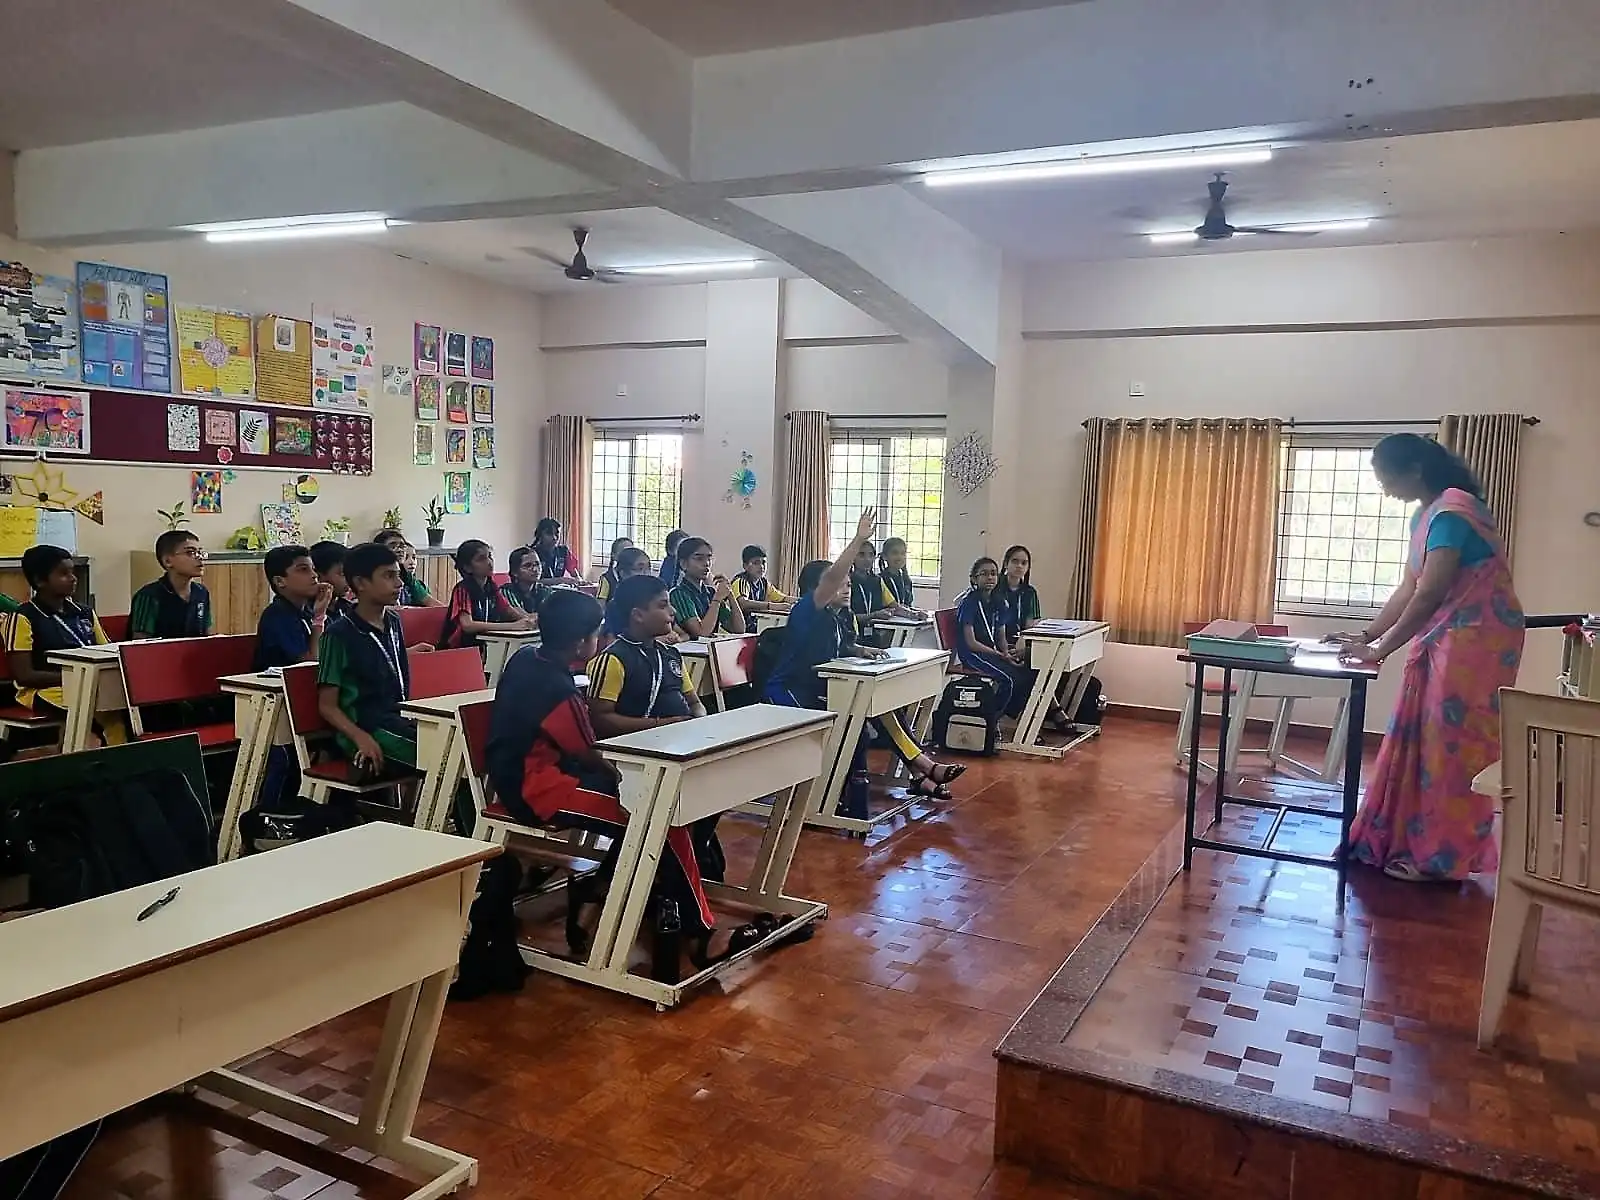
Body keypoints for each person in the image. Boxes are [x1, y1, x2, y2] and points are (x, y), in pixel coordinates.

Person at [485, 587, 716, 964]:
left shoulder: (527, 658)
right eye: (596, 634)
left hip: (529, 776)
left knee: (655, 804)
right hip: (538, 789)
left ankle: (605, 889)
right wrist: (629, 781)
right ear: (581, 644)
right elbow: (589, 753)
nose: (601, 639)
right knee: (658, 817)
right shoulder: (560, 691)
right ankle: (698, 924)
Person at [1332, 433, 1525, 882]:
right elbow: (1410, 587)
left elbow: (1430, 592)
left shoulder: (1454, 511)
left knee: (1451, 748)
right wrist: (1368, 634)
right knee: (1424, 742)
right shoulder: (1427, 514)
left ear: (1415, 470)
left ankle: (1441, 859)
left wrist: (1379, 650)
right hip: (1446, 638)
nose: (1385, 490)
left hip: (1473, 645)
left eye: (1387, 479)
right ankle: (1411, 840)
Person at [764, 509, 964, 805]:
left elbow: (839, 648)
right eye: (839, 584)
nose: (846, 589)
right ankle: (920, 768)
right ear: (817, 590)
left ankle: (919, 770)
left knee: (877, 703)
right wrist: (858, 539)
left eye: (848, 584)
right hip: (791, 692)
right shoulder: (806, 611)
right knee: (860, 710)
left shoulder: (837, 616)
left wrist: (859, 650)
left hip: (823, 687)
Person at [4, 544, 126, 744]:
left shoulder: (84, 613)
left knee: (128, 704)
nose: (73, 578)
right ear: (40, 581)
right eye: (63, 574)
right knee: (96, 707)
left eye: (72, 572)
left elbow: (108, 651)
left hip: (90, 684)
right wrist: (77, 678)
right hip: (44, 690)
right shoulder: (23, 617)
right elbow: (24, 675)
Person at [316, 542, 416, 771]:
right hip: (363, 730)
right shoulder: (338, 634)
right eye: (388, 576)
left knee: (456, 746)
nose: (399, 583)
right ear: (361, 583)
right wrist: (360, 737)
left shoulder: (394, 622)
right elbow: (327, 706)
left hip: (397, 719)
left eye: (398, 575)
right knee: (444, 757)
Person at [956, 556, 1072, 728]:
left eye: (993, 573)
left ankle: (1019, 722)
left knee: (1029, 673)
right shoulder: (969, 603)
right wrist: (999, 654)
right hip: (974, 655)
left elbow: (1001, 635)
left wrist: (1006, 653)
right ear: (974, 578)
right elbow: (971, 642)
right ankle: (990, 722)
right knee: (1008, 681)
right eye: (984, 574)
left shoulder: (998, 602)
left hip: (993, 652)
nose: (990, 577)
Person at [439, 539, 536, 651]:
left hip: (483, 645)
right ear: (467, 568)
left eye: (490, 556)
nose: (489, 562)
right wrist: (512, 626)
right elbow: (467, 625)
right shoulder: (462, 589)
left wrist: (528, 621)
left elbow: (508, 611)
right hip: (459, 650)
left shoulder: (491, 587)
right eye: (481, 559)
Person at [253, 544, 335, 670]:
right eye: (303, 570)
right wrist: (319, 618)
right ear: (280, 581)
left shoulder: (308, 611)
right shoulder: (277, 616)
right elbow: (311, 665)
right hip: (277, 682)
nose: (314, 575)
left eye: (313, 569)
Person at [130, 530, 214, 638]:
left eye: (200, 552)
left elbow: (207, 638)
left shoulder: (201, 592)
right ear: (168, 561)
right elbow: (140, 644)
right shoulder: (149, 596)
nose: (200, 557)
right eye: (190, 553)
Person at [669, 537, 746, 639]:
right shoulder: (678, 594)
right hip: (689, 649)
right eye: (699, 559)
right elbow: (701, 632)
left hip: (709, 647)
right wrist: (717, 599)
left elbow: (739, 629)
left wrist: (729, 593)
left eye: (709, 558)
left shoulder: (711, 593)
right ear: (684, 564)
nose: (706, 563)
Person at [375, 529, 441, 608]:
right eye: (393, 546)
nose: (400, 550)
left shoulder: (406, 575)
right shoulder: (374, 573)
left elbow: (428, 601)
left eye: (402, 546)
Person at [600, 547, 656, 635]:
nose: (646, 573)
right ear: (623, 573)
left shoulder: (653, 599)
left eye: (648, 568)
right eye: (640, 569)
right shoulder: (616, 605)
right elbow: (612, 638)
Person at [732, 544, 791, 622]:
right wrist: (771, 606)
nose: (761, 566)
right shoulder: (741, 581)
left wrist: (802, 601)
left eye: (763, 562)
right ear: (745, 566)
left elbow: (783, 598)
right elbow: (743, 603)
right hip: (735, 626)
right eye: (756, 563)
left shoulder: (764, 583)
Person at [998, 544, 1042, 637]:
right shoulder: (995, 587)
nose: (1019, 566)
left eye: (1024, 563)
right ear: (1006, 564)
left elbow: (1031, 624)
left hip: (1021, 639)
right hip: (995, 640)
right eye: (1015, 561)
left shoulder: (1030, 592)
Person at [311, 541, 357, 623]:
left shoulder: (349, 609)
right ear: (318, 576)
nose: (349, 579)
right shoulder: (308, 612)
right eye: (342, 574)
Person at [877, 537, 924, 618]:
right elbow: (887, 607)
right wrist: (912, 614)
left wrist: (918, 612)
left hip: (905, 620)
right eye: (895, 553)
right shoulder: (879, 580)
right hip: (887, 621)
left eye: (903, 553)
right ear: (884, 556)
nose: (899, 557)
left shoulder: (906, 580)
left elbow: (907, 605)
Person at [503, 545, 545, 614]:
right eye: (528, 565)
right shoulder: (507, 592)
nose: (535, 569)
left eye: (537, 564)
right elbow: (523, 618)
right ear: (514, 572)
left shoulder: (544, 590)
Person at [595, 536, 634, 603]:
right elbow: (600, 604)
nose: (628, 555)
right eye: (624, 551)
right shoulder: (607, 578)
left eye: (631, 551)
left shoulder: (636, 577)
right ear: (614, 555)